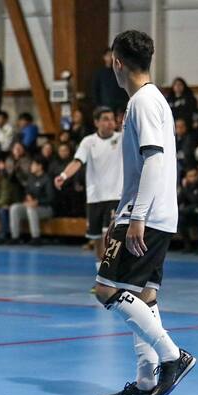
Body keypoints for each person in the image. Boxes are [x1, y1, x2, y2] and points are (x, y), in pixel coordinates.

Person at [94, 30, 195, 395]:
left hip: (147, 215)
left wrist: (135, 217)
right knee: (143, 296)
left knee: (106, 290)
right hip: (154, 212)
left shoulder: (142, 102)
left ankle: (173, 356)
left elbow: (153, 159)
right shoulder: (155, 100)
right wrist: (120, 215)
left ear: (117, 62)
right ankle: (144, 380)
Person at [55, 106, 122, 277]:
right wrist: (63, 175)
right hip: (94, 197)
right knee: (97, 239)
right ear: (96, 122)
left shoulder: (122, 139)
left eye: (112, 119)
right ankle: (101, 276)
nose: (110, 122)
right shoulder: (88, 142)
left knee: (109, 236)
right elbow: (77, 161)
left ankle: (110, 276)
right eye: (105, 119)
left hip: (115, 196)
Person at [9, 158, 53, 245]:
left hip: (45, 208)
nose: (31, 167)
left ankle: (36, 238)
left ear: (40, 166)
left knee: (31, 209)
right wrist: (27, 196)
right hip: (31, 206)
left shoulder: (47, 179)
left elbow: (51, 198)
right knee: (15, 208)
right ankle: (15, 237)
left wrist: (37, 202)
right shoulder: (31, 178)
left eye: (33, 165)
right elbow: (27, 191)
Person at [92, 48, 129, 112]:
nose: (110, 58)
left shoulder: (119, 72)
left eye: (112, 56)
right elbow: (95, 90)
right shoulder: (99, 73)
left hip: (119, 106)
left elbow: (124, 88)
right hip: (104, 106)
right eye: (108, 55)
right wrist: (98, 105)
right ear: (104, 57)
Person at [177, 167, 198, 252]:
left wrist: (185, 189)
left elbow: (195, 200)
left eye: (194, 176)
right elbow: (178, 201)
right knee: (181, 219)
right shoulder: (186, 188)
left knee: (193, 207)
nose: (193, 178)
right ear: (186, 177)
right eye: (190, 176)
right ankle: (187, 245)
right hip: (188, 215)